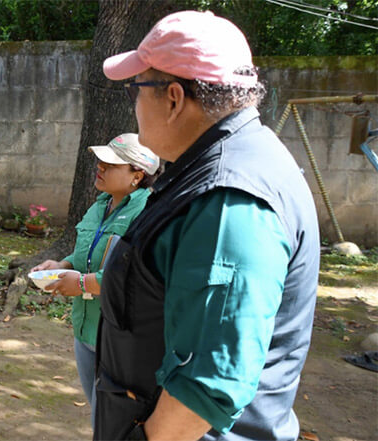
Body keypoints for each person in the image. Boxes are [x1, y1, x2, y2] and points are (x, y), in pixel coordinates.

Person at [94, 10, 319, 441]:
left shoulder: (228, 200)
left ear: (173, 98)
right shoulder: (221, 164)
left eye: (136, 90)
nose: (134, 105)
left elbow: (207, 386)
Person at [31, 133, 160, 427]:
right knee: (98, 411)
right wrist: (61, 264)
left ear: (137, 176)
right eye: (100, 162)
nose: (99, 168)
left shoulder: (147, 215)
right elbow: (86, 254)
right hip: (85, 329)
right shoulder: (101, 205)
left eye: (110, 164)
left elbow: (132, 277)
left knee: (112, 419)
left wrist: (80, 284)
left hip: (119, 336)